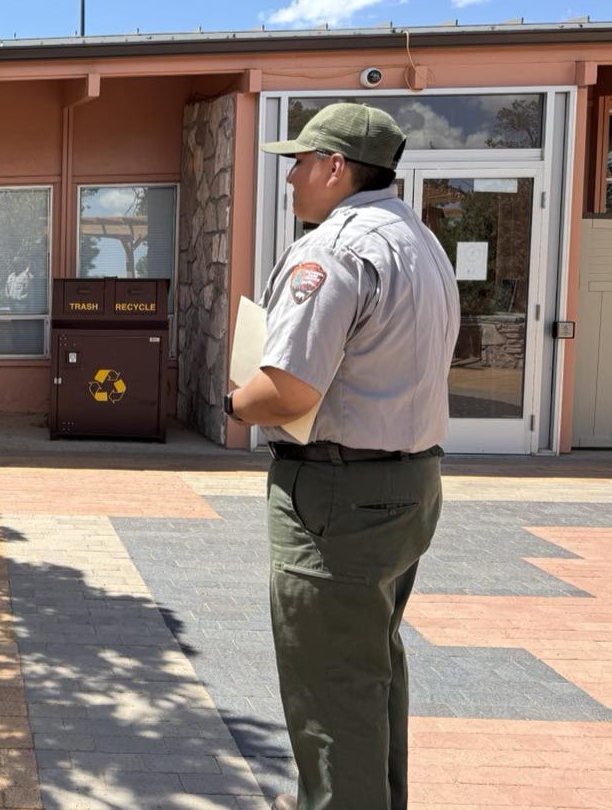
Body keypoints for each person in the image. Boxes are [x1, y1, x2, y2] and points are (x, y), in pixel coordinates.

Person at [227, 103, 459, 810]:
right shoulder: (420, 242)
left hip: (336, 497)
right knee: (369, 671)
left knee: (329, 693)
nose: (291, 178)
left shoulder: (333, 249)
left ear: (335, 168)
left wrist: (237, 399)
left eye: (299, 163)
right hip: (408, 484)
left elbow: (289, 389)